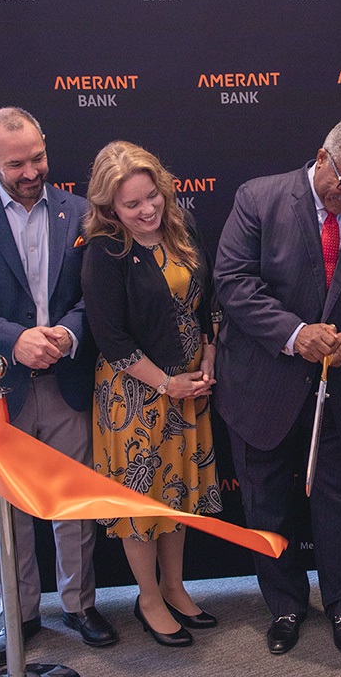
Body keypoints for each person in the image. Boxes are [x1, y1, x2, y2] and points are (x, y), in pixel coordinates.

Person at [0, 107, 117, 665]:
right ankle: (20, 613)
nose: (33, 170)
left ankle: (80, 605)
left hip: (66, 379)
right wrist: (15, 339)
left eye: (38, 156)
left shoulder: (82, 214)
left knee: (74, 500)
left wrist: (65, 331)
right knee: (6, 509)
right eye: (17, 163)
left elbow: (99, 297)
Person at [214, 118, 341, 656]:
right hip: (261, 387)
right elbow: (232, 283)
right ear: (322, 156)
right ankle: (285, 607)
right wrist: (296, 335)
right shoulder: (258, 200)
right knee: (266, 505)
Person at [80, 141, 223, 647]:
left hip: (189, 388)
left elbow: (208, 302)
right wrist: (166, 383)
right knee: (143, 503)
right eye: (131, 204)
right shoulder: (106, 250)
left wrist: (208, 355)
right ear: (109, 208)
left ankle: (175, 587)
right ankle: (148, 598)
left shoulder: (182, 228)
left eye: (150, 197)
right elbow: (110, 339)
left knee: (176, 496)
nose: (146, 211)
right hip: (134, 399)